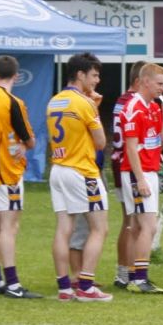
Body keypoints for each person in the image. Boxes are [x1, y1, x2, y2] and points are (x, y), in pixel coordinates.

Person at [47, 52, 112, 302]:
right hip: (82, 171)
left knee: (64, 228)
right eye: (94, 75)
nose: (96, 81)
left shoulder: (55, 101)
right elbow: (100, 142)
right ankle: (86, 285)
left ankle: (65, 288)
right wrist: (94, 107)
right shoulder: (84, 103)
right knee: (100, 228)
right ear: (80, 74)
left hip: (58, 169)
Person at [0, 54, 41, 299]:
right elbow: (30, 139)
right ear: (16, 76)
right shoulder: (12, 102)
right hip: (8, 173)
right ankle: (12, 284)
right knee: (9, 227)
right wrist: (25, 145)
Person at [115, 63, 163, 294]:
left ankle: (132, 275)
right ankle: (140, 279)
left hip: (150, 170)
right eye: (159, 83)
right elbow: (130, 148)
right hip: (138, 173)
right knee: (149, 225)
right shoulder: (133, 108)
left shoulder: (154, 107)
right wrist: (140, 179)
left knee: (139, 226)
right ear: (145, 81)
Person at [110, 60, 146, 288]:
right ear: (138, 81)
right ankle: (126, 270)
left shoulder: (121, 101)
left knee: (131, 220)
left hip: (119, 161)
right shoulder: (133, 103)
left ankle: (126, 269)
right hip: (128, 165)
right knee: (132, 221)